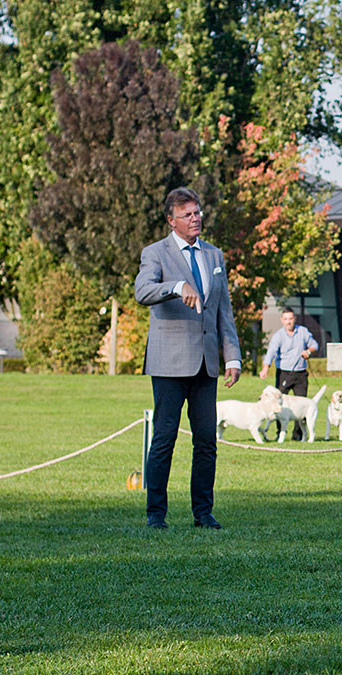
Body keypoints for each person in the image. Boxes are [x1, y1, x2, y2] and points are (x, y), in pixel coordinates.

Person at [135, 187, 241, 530]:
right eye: (188, 214)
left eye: (198, 212)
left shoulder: (214, 255)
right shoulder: (155, 253)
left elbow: (223, 310)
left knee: (207, 441)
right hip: (169, 363)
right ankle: (156, 514)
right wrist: (176, 286)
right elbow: (142, 291)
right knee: (164, 439)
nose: (195, 219)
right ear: (172, 220)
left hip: (207, 365)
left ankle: (203, 513)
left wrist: (233, 357)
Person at [260, 308, 318, 440]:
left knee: (301, 405)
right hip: (284, 373)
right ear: (282, 320)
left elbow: (314, 345)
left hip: (300, 374)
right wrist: (265, 368)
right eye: (286, 319)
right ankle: (280, 433)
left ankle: (297, 435)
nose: (288, 322)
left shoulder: (303, 331)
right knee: (279, 404)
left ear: (294, 319)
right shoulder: (278, 335)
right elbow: (271, 352)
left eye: (290, 319)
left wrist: (308, 351)